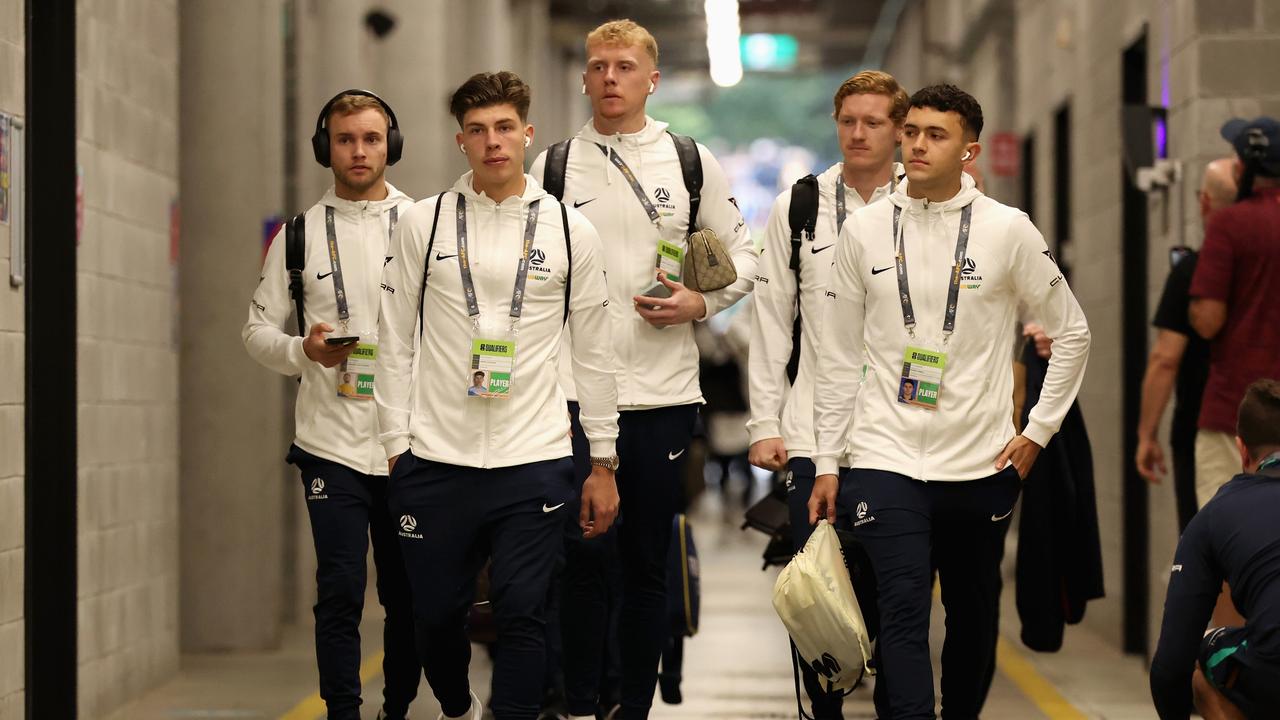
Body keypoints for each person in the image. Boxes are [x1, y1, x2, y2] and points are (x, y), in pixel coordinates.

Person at [808, 84, 1090, 719]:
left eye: (936, 134)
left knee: (972, 614)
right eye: (910, 132)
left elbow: (1073, 333)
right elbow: (836, 353)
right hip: (884, 456)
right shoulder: (865, 229)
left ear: (970, 149)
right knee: (901, 612)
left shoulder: (1007, 230)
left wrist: (1039, 431)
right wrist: (829, 459)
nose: (917, 144)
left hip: (981, 462)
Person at [376, 71, 621, 720]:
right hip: (436, 455)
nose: (493, 142)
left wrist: (602, 459)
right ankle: (455, 702)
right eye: (478, 131)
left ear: (527, 134)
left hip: (533, 454)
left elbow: (596, 352)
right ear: (461, 141)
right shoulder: (421, 225)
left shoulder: (572, 232)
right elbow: (394, 339)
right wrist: (396, 444)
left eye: (505, 128)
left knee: (524, 611)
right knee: (433, 615)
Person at [529, 19, 756, 720]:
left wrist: (700, 301)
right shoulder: (555, 167)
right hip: (569, 395)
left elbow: (745, 260)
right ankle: (583, 697)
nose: (609, 77)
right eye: (598, 66)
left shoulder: (689, 163)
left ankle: (632, 706)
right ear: (584, 76)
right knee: (580, 556)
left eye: (625, 66)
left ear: (651, 79)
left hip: (661, 397)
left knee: (644, 562)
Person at [242, 90, 419, 720]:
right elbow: (256, 331)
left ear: (390, 145)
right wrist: (301, 352)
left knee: (408, 596)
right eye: (346, 139)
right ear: (326, 148)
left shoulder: (423, 224)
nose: (359, 151)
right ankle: (342, 711)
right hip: (330, 444)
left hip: (412, 444)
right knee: (339, 590)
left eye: (371, 138)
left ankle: (397, 707)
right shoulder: (297, 236)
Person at [745, 69, 909, 720]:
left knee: (892, 592)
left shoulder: (922, 200)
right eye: (849, 121)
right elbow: (769, 321)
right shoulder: (803, 205)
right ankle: (827, 711)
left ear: (899, 130)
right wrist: (765, 422)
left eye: (874, 122)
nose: (859, 133)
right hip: (814, 431)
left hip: (899, 433)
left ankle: (898, 704)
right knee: (817, 590)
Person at [1150, 379, 1280, 720]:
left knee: (1203, 655)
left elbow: (1169, 667)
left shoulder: (1217, 514)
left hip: (1273, 666)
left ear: (1241, 449)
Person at [1136, 158, 1236, 531]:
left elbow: (1165, 358)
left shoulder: (1193, 270)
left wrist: (1147, 434)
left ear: (1205, 203)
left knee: (1211, 548)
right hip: (1265, 423)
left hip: (1204, 424)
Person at [1189, 117, 1280, 509]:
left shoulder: (1229, 225)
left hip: (1236, 409)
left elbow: (1209, 320)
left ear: (1243, 167)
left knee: (1225, 536)